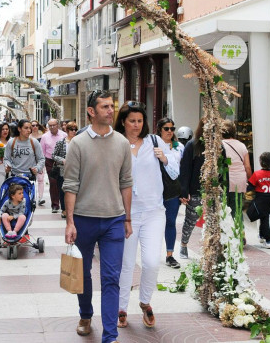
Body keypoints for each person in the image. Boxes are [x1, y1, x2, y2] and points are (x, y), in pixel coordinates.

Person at [63, 90, 133, 343]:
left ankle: (110, 337)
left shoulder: (122, 143)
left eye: (111, 106)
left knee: (111, 278)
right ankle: (85, 314)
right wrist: (70, 222)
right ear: (91, 111)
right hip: (83, 219)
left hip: (114, 220)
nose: (110, 110)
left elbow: (126, 182)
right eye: (104, 107)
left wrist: (127, 218)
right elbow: (70, 184)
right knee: (83, 274)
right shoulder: (78, 144)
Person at [114, 103, 179, 330]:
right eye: (132, 121)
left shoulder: (155, 141)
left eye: (140, 121)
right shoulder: (115, 142)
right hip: (125, 213)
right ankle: (121, 308)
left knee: (151, 262)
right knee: (126, 263)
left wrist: (165, 158)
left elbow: (174, 171)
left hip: (153, 211)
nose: (136, 125)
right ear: (123, 121)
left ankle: (145, 302)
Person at [178, 118, 227, 259]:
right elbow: (185, 169)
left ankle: (210, 248)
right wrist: (184, 190)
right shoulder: (192, 145)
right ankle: (184, 244)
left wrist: (222, 187)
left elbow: (223, 169)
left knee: (213, 220)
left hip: (213, 190)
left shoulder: (219, 147)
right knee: (191, 219)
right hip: (196, 189)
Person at [156, 117, 184, 268]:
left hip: (173, 189)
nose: (169, 132)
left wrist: (185, 191)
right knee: (154, 224)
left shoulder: (178, 146)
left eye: (172, 129)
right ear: (160, 129)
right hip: (155, 190)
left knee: (171, 222)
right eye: (166, 128)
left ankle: (170, 255)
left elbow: (182, 168)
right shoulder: (153, 144)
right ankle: (152, 253)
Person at [247, 152, 270, 249]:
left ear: (260, 162)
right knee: (264, 216)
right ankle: (261, 235)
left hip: (261, 197)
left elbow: (250, 186)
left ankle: (268, 240)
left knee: (263, 216)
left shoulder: (257, 174)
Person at [222, 120, 252, 219]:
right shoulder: (242, 146)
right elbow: (247, 167)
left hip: (224, 181)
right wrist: (250, 181)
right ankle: (240, 232)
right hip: (239, 182)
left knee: (224, 211)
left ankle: (225, 233)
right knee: (237, 211)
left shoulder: (220, 145)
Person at [52, 121, 78, 219]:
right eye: (72, 129)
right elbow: (53, 155)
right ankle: (64, 209)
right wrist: (63, 160)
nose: (74, 131)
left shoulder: (79, 142)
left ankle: (73, 209)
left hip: (76, 170)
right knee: (63, 190)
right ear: (67, 130)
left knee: (75, 189)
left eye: (75, 129)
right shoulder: (61, 142)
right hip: (63, 170)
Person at [40, 118, 66, 213]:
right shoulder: (44, 137)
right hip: (50, 162)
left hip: (62, 161)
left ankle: (64, 204)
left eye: (54, 125)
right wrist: (41, 166)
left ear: (58, 125)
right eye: (50, 125)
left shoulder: (64, 135)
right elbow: (42, 152)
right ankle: (55, 205)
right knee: (53, 182)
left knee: (62, 183)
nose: (52, 127)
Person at [30, 120, 47, 206]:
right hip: (30, 161)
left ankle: (41, 197)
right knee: (31, 180)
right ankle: (31, 197)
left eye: (36, 125)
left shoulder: (43, 136)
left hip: (40, 160)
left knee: (40, 179)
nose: (35, 127)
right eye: (33, 125)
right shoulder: (28, 137)